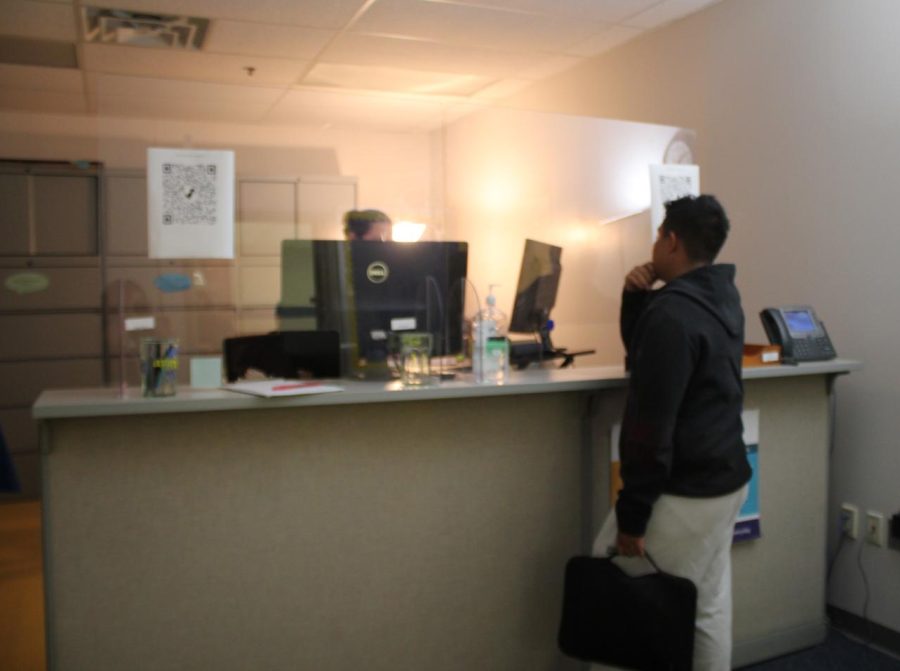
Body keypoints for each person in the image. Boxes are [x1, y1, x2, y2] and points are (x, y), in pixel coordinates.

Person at [592, 194, 752, 671]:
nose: (654, 244)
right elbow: (651, 356)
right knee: (705, 603)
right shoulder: (719, 296)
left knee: (618, 590)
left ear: (672, 239)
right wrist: (636, 297)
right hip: (726, 480)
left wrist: (633, 516)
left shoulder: (672, 313)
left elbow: (650, 426)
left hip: (684, 491)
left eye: (659, 234)